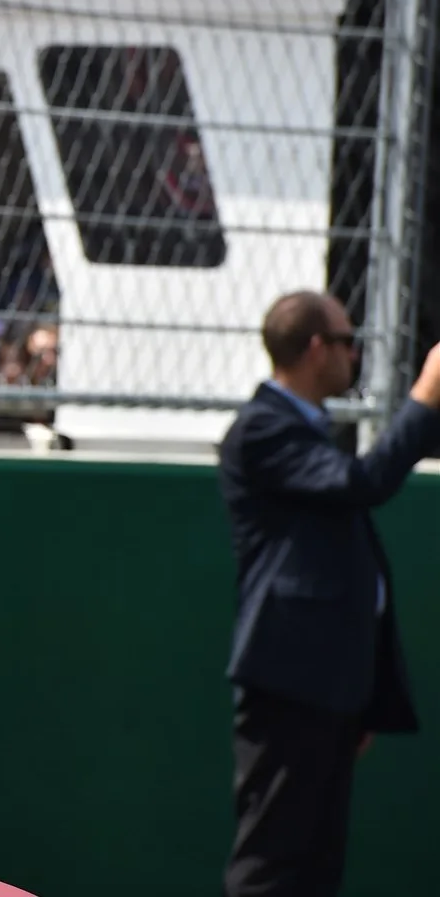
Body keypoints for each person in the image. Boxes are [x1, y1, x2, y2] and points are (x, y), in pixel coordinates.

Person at [218, 291, 440, 897]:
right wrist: (425, 398)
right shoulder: (263, 428)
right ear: (317, 348)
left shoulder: (305, 428)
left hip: (325, 683)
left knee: (314, 867)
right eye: (347, 341)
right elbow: (362, 484)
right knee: (272, 862)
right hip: (291, 680)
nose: (355, 355)